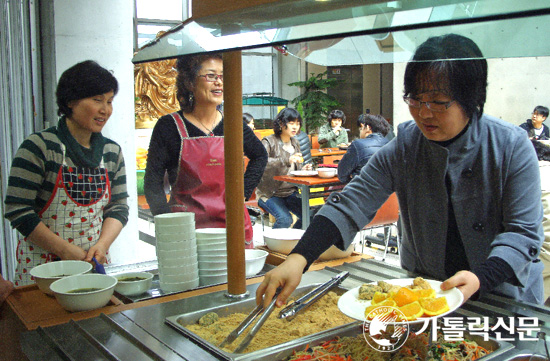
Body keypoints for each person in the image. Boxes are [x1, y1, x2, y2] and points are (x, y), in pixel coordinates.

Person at [257, 33, 544, 308]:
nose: (424, 112)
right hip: (427, 291)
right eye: (415, 100)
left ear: (472, 99)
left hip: (501, 296)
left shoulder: (510, 145)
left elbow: (523, 234)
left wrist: (482, 278)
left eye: (439, 102)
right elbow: (350, 204)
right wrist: (299, 258)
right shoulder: (407, 145)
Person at [4, 61, 129, 286]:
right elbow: (18, 210)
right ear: (71, 101)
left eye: (110, 101)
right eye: (97, 100)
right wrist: (64, 250)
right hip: (42, 272)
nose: (105, 110)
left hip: (94, 268)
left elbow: (118, 207)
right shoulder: (39, 147)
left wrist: (102, 245)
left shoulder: (112, 152)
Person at [144, 53, 267, 248]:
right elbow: (152, 183)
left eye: (223, 76)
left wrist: (242, 193)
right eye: (211, 76)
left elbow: (260, 155)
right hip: (184, 229)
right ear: (190, 82)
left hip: (231, 224)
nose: (219, 83)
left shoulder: (234, 124)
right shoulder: (168, 126)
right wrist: (166, 224)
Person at [256, 108, 312, 229]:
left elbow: (293, 169)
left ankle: (292, 241)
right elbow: (261, 163)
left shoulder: (295, 143)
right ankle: (273, 245)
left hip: (290, 192)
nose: (295, 127)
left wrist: (303, 170)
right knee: (285, 219)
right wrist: (287, 160)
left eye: (297, 124)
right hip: (270, 194)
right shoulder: (268, 141)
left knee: (310, 215)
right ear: (281, 124)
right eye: (291, 123)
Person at [337, 114, 391, 183]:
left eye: (361, 128)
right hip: (385, 190)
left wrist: (352, 179)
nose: (360, 131)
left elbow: (342, 174)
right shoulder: (390, 144)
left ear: (368, 128)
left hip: (362, 190)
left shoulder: (357, 145)